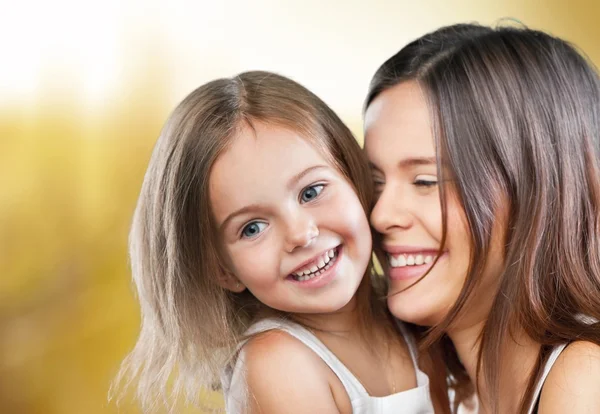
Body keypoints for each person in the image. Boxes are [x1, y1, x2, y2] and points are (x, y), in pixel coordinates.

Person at [115, 71, 437, 413]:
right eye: (252, 228)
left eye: (311, 192)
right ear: (223, 270)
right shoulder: (278, 363)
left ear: (353, 176)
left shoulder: (408, 307)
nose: (300, 234)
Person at [363, 24, 600, 413]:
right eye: (374, 183)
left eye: (426, 181)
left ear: (534, 190)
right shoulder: (446, 391)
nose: (380, 214)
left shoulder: (584, 375)